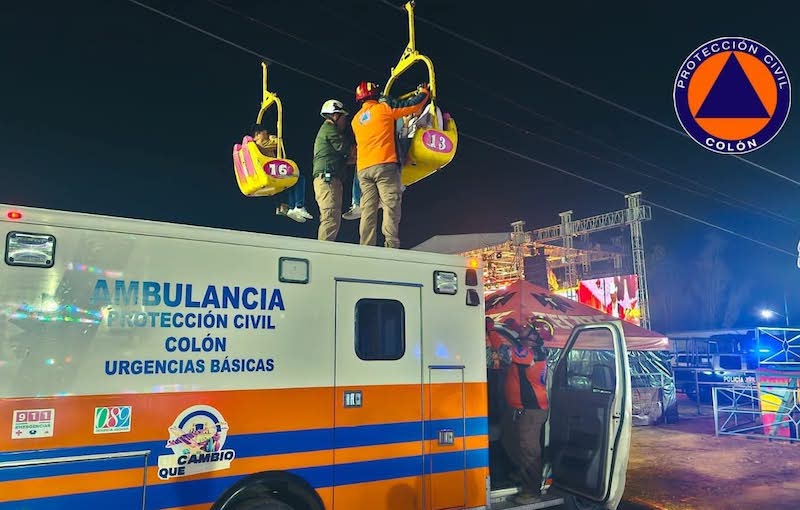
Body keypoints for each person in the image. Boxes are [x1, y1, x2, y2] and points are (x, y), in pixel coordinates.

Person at [349, 81, 429, 247]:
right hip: (384, 164)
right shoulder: (383, 109)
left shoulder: (356, 120)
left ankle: (366, 245)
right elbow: (413, 106)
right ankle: (391, 243)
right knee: (390, 203)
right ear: (375, 94)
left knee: (368, 209)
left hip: (363, 169)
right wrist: (424, 92)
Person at [501, 320, 550, 505]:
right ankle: (522, 472)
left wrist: (492, 332)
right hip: (521, 410)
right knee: (508, 440)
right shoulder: (532, 350)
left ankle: (532, 491)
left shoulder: (531, 354)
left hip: (531, 411)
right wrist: (515, 329)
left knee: (529, 452)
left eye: (528, 328)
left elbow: (503, 352)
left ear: (535, 336)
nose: (523, 327)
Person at [251, 122, 312, 223]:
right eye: (264, 134)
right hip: (272, 172)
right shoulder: (261, 144)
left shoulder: (254, 146)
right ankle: (299, 206)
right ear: (257, 135)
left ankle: (292, 208)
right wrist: (274, 138)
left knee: (291, 182)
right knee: (299, 178)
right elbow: (277, 144)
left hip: (269, 171)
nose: (267, 135)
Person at [312, 99, 352, 241]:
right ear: (335, 115)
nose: (345, 121)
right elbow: (345, 149)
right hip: (328, 179)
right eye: (343, 117)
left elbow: (344, 157)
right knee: (330, 217)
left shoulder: (328, 130)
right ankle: (323, 251)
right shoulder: (329, 129)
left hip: (330, 179)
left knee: (332, 217)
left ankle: (324, 249)